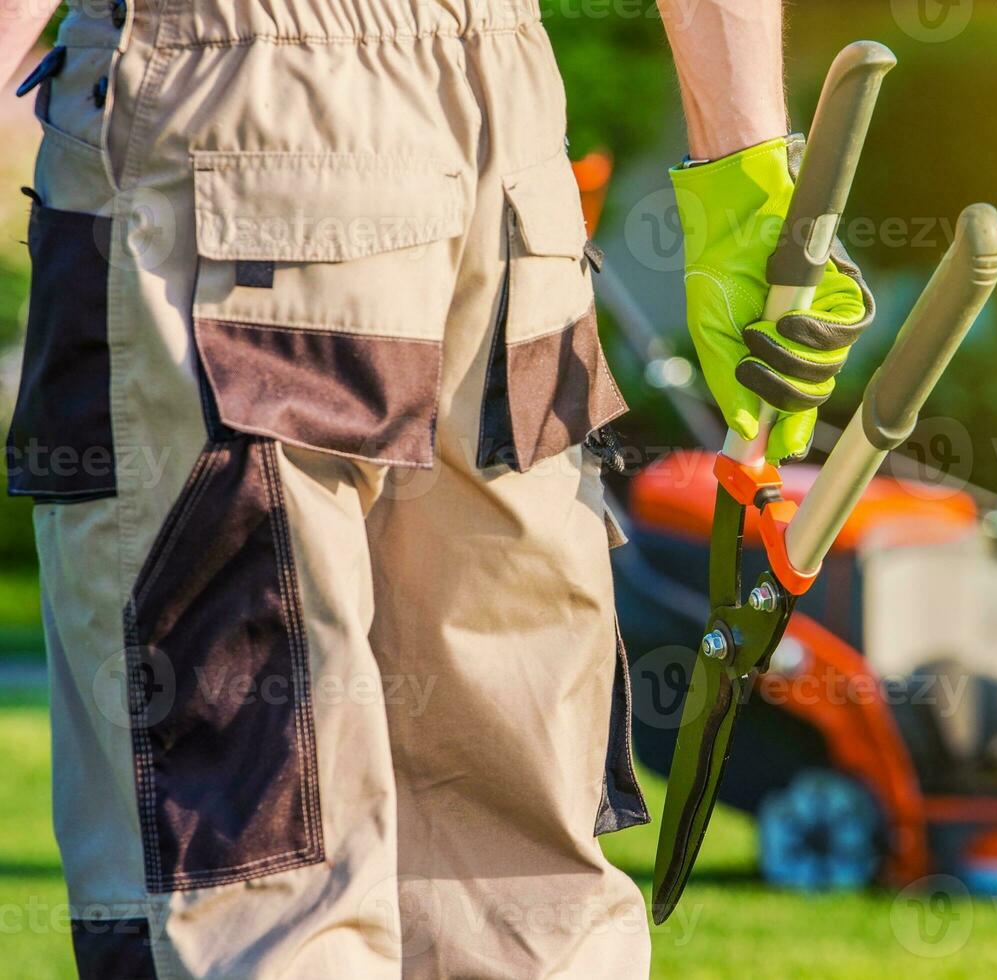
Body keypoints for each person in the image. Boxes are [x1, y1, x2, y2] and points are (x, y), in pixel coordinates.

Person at [1, 0, 871, 976]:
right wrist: (744, 178)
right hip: (504, 146)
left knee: (250, 892)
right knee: (515, 904)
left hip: (226, 113)